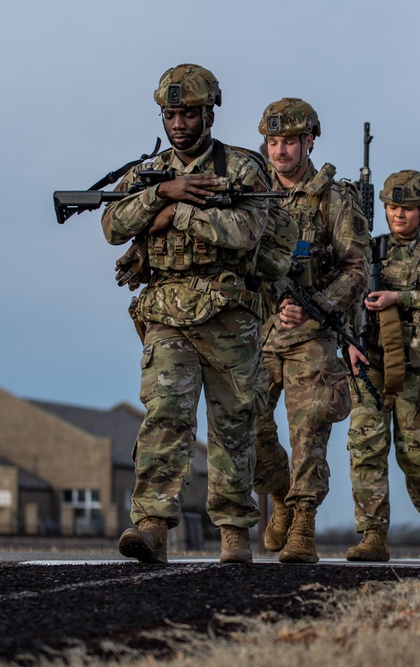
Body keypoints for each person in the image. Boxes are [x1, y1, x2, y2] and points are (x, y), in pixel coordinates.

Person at [102, 64, 272, 564]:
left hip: (228, 314)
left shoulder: (243, 166)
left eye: (188, 114)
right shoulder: (148, 172)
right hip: (166, 312)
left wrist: (178, 214)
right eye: (170, 114)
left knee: (234, 422)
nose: (178, 123)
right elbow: (112, 224)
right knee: (165, 414)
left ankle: (235, 529)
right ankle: (152, 525)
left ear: (209, 114)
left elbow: (245, 232)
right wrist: (161, 193)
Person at [252, 98, 370, 563]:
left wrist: (317, 305)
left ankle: (303, 523)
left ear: (309, 142)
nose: (280, 151)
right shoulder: (252, 194)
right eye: (274, 141)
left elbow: (357, 267)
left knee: (310, 430)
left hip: (313, 333)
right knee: (248, 427)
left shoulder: (333, 199)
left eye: (290, 142)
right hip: (260, 333)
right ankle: (280, 493)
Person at [344, 170, 420, 562]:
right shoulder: (365, 250)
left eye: (408, 208)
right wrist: (348, 343)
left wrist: (400, 297)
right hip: (370, 363)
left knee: (417, 456)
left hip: (418, 369)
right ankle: (372, 535)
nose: (399, 214)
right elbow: (345, 296)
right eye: (393, 206)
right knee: (365, 450)